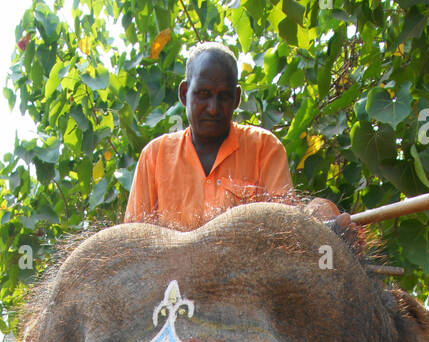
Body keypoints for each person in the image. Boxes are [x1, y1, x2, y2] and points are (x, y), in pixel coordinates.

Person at [125, 40, 342, 230]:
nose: (213, 108)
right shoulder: (154, 156)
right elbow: (134, 242)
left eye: (224, 97)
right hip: (171, 278)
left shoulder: (264, 148)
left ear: (237, 98)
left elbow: (285, 229)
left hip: (251, 276)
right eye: (203, 94)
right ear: (184, 94)